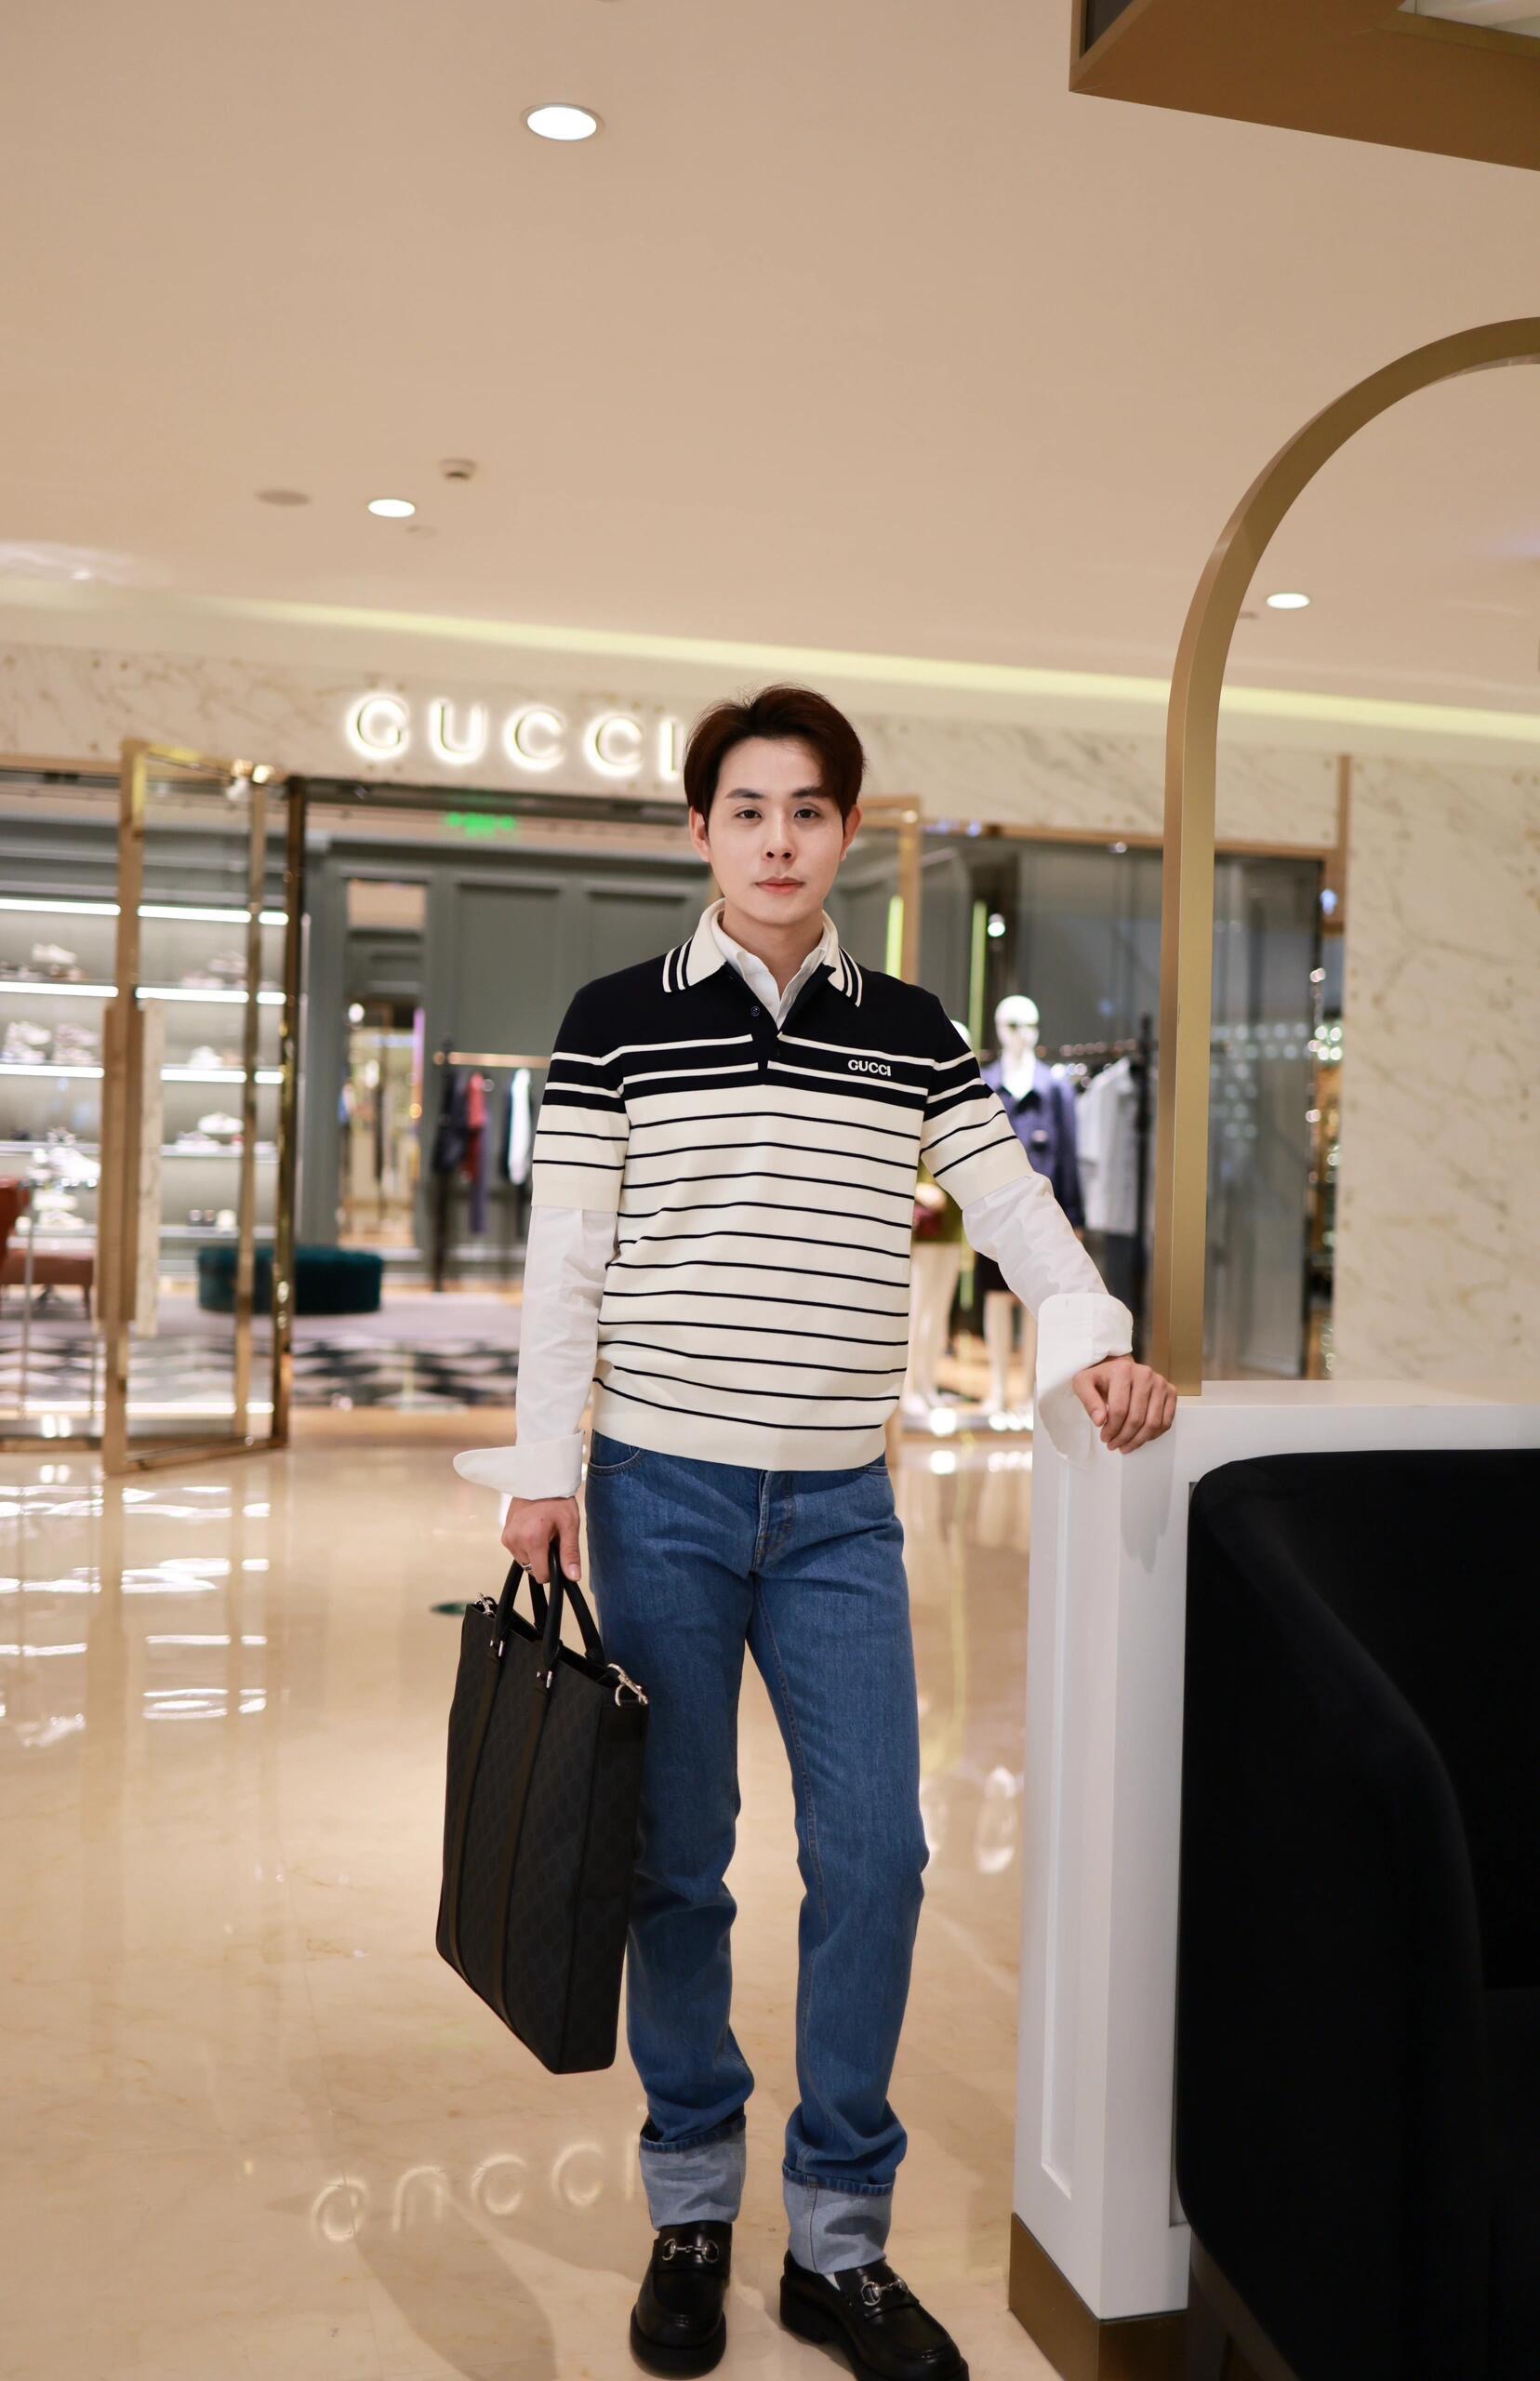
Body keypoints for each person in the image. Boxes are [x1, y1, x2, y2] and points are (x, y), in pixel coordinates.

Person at [454, 684, 1176, 2380]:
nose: (777, 841)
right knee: (676, 1860)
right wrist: (544, 1472)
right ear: (701, 831)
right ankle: (693, 2212)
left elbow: (1017, 1214)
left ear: (846, 830)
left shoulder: (912, 1029)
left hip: (842, 1506)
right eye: (747, 811)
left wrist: (1096, 1340)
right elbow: (565, 1271)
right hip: (658, 1493)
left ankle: (839, 2239)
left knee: (879, 1856)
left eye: (807, 812)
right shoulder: (614, 1022)